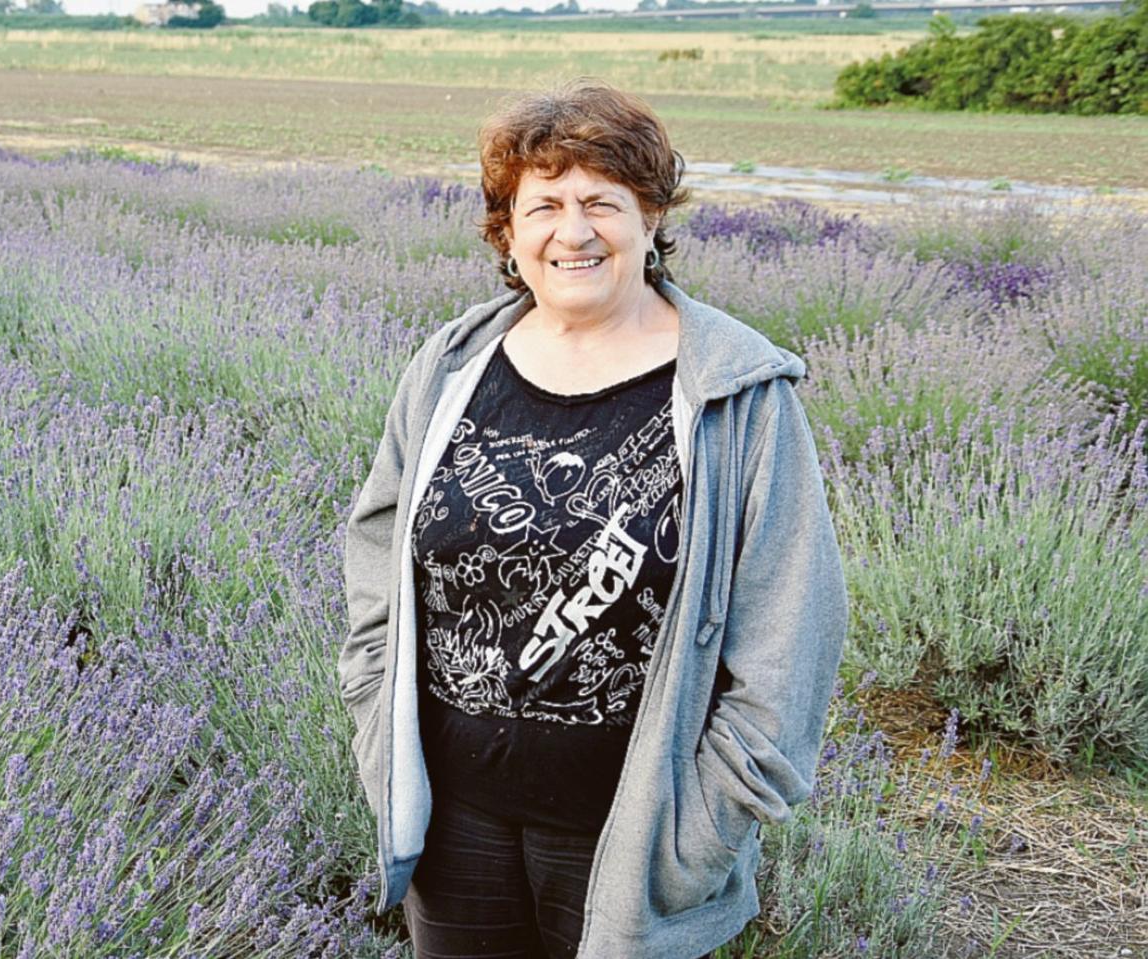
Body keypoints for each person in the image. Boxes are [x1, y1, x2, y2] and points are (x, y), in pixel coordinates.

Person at [337, 79, 848, 959]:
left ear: (650, 216)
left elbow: (790, 628)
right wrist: (374, 719)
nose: (572, 232)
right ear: (508, 232)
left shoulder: (736, 394)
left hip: (634, 836)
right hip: (455, 828)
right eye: (542, 206)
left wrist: (701, 833)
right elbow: (378, 553)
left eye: (599, 202)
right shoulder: (451, 369)